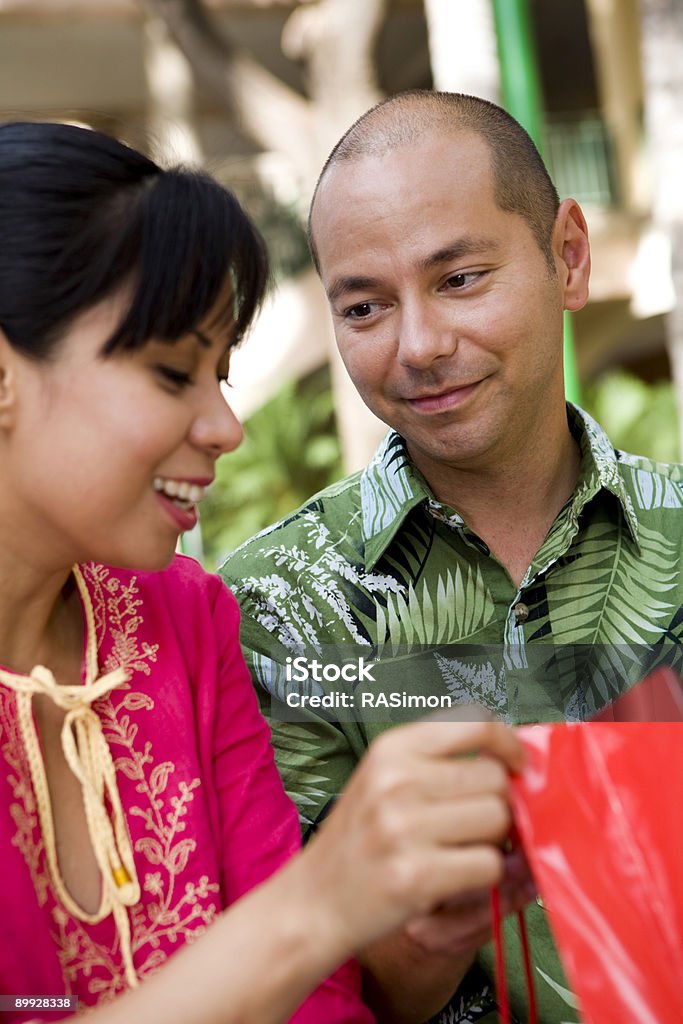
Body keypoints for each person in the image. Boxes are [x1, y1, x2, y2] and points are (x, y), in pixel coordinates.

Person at [0, 120, 528, 1024]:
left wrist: (391, 921)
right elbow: (298, 933)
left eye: (222, 377)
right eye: (173, 374)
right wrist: (320, 904)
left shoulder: (184, 621)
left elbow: (322, 1005)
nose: (225, 428)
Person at [220, 90, 683, 1023]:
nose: (419, 346)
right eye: (363, 306)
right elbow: (304, 990)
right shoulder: (273, 608)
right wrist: (420, 913)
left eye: (460, 278)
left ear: (568, 256)